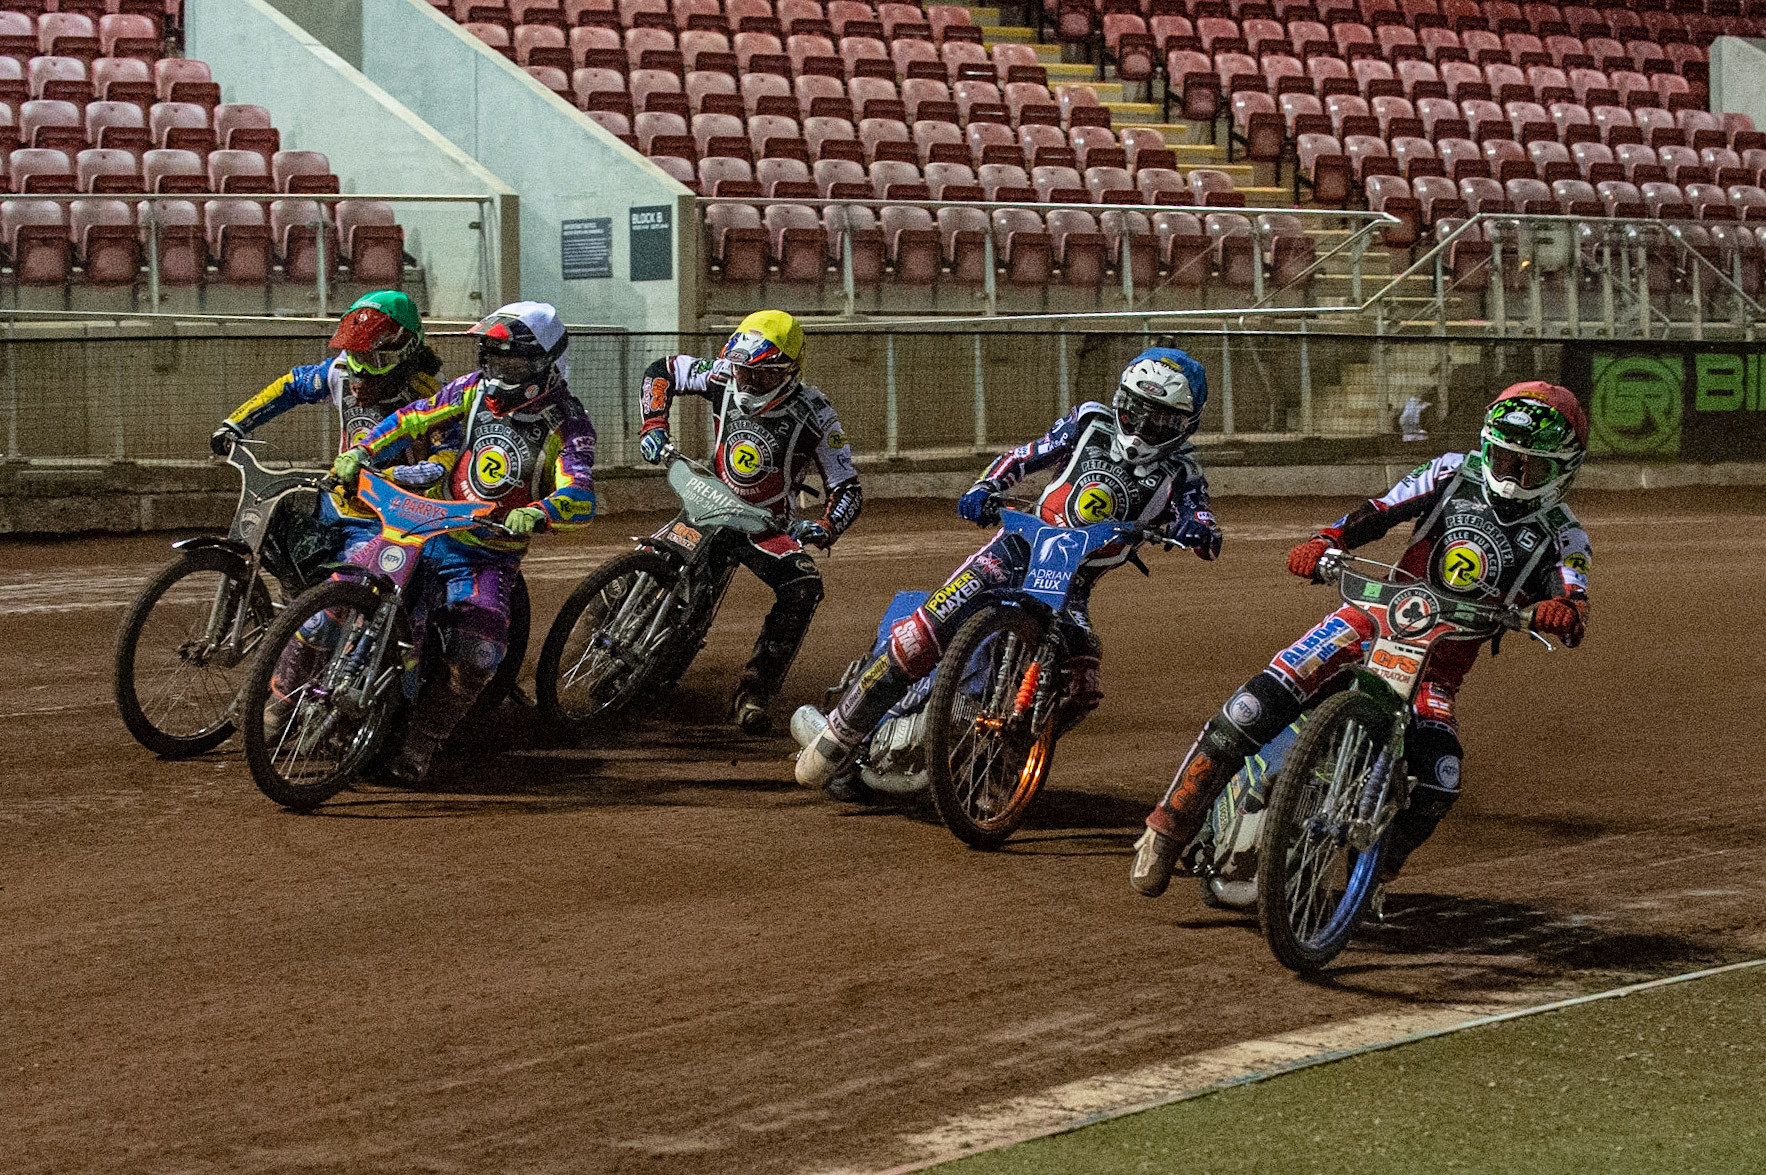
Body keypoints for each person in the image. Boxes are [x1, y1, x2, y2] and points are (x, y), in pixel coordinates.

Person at [1129, 381, 1592, 899]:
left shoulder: (1564, 534)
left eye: (1531, 467)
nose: (1511, 475)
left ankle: (1370, 877)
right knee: (1250, 708)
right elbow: (1380, 509)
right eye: (1504, 458)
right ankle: (1167, 827)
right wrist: (1328, 539)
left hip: (1435, 672)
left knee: (1439, 779)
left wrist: (1562, 611)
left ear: (1563, 469)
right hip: (1369, 620)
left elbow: (1575, 598)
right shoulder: (1450, 472)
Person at [796, 347, 1224, 790]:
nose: (1143, 427)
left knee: (1082, 684)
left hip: (1073, 585)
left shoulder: (1183, 473)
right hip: (1017, 548)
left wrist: (1197, 530)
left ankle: (1001, 760)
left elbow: (1205, 522)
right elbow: (1026, 456)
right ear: (1120, 401)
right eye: (1136, 411)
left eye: (1160, 421)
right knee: (923, 631)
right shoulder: (1089, 422)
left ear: (1185, 426)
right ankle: (839, 734)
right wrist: (986, 487)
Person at [328, 301, 598, 780]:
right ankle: (276, 708)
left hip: (485, 551)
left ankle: (423, 741)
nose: (497, 370)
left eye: (511, 362)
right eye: (491, 358)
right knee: (336, 595)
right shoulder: (471, 389)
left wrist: (540, 512)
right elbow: (413, 416)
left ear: (546, 363)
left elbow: (580, 493)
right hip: (421, 526)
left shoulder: (568, 422)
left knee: (477, 652)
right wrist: (363, 450)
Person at [636, 309, 862, 733]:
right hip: (708, 498)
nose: (747, 383)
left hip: (765, 526)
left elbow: (848, 488)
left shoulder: (816, 413)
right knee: (658, 561)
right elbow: (662, 370)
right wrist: (653, 424)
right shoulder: (722, 374)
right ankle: (616, 616)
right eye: (743, 372)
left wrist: (825, 527)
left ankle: (755, 693)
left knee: (804, 586)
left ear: (788, 372)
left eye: (761, 375)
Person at [210, 290, 443, 559]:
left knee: (352, 576)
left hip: (392, 518)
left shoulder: (434, 396)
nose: (360, 372)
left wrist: (390, 476)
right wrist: (235, 424)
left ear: (404, 351)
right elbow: (292, 385)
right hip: (335, 503)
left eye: (371, 359)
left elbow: (444, 463)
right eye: (355, 355)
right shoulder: (339, 371)